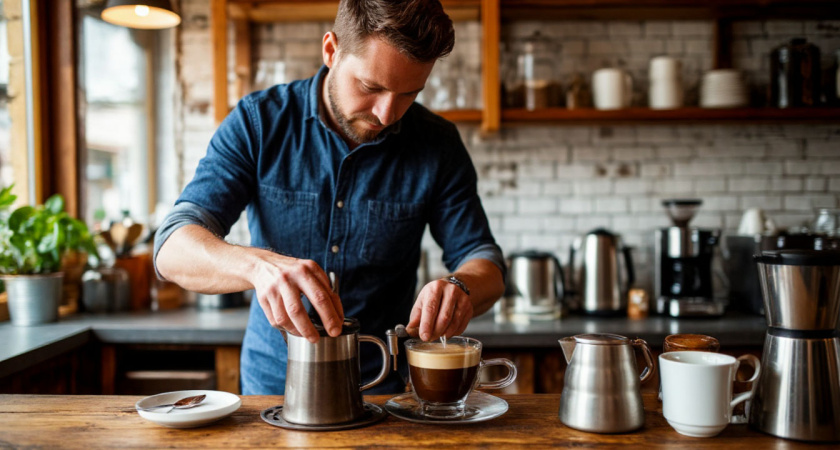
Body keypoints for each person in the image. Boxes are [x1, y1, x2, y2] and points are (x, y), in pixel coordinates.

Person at [154, 0, 505, 395]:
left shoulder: (437, 144)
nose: (387, 114)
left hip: (384, 392)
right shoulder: (258, 123)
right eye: (371, 87)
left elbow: (485, 261)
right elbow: (171, 248)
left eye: (409, 93)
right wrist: (258, 267)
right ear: (330, 50)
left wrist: (462, 287)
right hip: (273, 389)